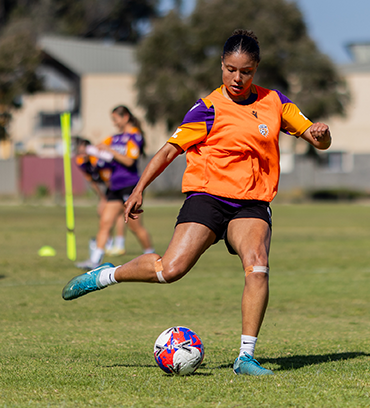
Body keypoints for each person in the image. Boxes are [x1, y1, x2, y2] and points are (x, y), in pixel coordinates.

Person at [62, 30, 332, 376]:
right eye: (231, 69)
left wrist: (321, 136)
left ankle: (245, 357)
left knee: (258, 265)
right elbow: (169, 150)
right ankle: (107, 275)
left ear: (256, 69)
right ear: (221, 65)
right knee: (169, 270)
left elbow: (315, 137)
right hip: (208, 196)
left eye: (246, 71)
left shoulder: (275, 103)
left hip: (251, 202)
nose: (237, 78)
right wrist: (139, 188)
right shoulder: (207, 108)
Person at [74, 106, 154, 269]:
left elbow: (129, 161)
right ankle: (95, 261)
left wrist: (110, 151)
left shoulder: (134, 136)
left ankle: (152, 257)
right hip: (114, 187)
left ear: (125, 117)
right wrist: (89, 150)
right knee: (105, 222)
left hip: (130, 186)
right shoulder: (114, 138)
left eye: (115, 119)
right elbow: (98, 149)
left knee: (135, 226)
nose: (114, 123)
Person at [75, 138, 127, 257]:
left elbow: (109, 178)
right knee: (103, 212)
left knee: (118, 213)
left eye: (84, 151)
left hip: (116, 185)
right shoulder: (81, 162)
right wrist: (102, 197)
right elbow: (92, 182)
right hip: (107, 188)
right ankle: (109, 243)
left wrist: (109, 197)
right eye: (80, 152)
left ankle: (119, 244)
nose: (82, 154)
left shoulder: (98, 159)